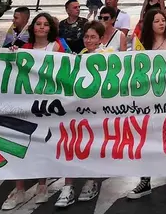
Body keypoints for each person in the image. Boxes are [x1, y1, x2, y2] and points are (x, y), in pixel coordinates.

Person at [3, 13, 60, 209]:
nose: (42, 27)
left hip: (46, 105)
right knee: (21, 143)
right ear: (33, 27)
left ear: (50, 28)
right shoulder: (23, 49)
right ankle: (19, 189)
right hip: (24, 104)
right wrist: (12, 54)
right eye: (38, 24)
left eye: (45, 24)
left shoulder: (56, 47)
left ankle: (42, 186)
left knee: (42, 144)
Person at [128, 9, 166, 200]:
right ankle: (145, 180)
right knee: (146, 139)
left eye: (163, 20)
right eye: (157, 21)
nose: (162, 23)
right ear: (149, 25)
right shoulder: (141, 45)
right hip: (148, 100)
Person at [55, 21, 108, 207]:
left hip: (98, 111)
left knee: (92, 146)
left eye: (93, 37)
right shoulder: (80, 56)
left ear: (101, 39)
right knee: (72, 144)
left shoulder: (108, 57)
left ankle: (91, 182)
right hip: (77, 110)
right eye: (86, 36)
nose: (88, 40)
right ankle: (68, 186)